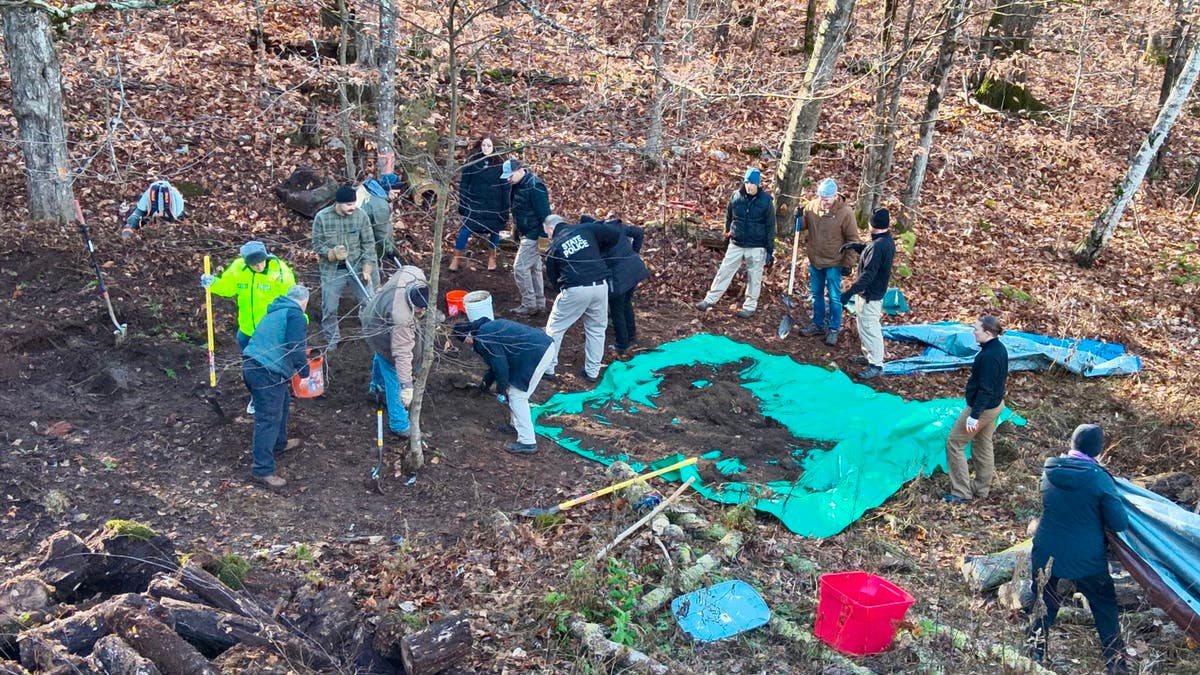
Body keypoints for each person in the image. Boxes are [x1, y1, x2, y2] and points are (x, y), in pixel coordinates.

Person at [1026, 424, 1130, 674]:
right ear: (1098, 450)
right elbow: (1119, 523)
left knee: (1043, 605)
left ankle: (1031, 660)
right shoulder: (1098, 478)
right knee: (1104, 608)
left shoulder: (1049, 469)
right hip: (1087, 558)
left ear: (1072, 444)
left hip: (1046, 551)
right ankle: (1116, 665)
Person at [242, 285, 312, 488]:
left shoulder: (275, 311)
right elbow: (295, 347)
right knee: (267, 418)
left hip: (252, 365)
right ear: (304, 302)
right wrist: (305, 373)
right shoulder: (295, 315)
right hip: (266, 371)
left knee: (282, 404)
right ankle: (262, 469)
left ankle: (279, 443)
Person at [453, 317, 556, 455]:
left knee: (517, 396)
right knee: (514, 393)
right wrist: (485, 385)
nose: (469, 346)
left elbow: (500, 367)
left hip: (536, 354)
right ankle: (515, 425)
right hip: (541, 346)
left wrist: (501, 390)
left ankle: (528, 442)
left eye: (466, 342)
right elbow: (494, 366)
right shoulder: (486, 329)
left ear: (468, 336)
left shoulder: (483, 338)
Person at [543, 214, 627, 382]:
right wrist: (599, 251)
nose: (548, 236)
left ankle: (548, 368)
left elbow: (553, 277)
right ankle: (592, 372)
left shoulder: (554, 247)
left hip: (575, 288)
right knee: (596, 329)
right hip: (600, 285)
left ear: (551, 229)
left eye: (547, 233)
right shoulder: (585, 229)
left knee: (555, 328)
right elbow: (613, 234)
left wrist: (562, 290)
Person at [943, 314, 1009, 503]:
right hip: (997, 405)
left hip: (984, 408)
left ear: (987, 332)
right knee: (983, 442)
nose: (973, 332)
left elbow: (986, 389)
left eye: (976, 329)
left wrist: (974, 415)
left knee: (954, 443)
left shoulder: (989, 356)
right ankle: (981, 488)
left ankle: (961, 492)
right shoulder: (997, 348)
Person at [695, 168, 777, 319]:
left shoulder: (766, 201)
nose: (749, 186)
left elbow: (771, 226)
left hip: (757, 246)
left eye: (752, 183)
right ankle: (710, 300)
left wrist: (769, 250)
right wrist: (727, 238)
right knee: (724, 272)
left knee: (754, 277)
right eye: (747, 182)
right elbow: (729, 219)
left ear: (758, 184)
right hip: (737, 243)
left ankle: (750, 306)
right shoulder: (736, 197)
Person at [362, 265, 429, 438]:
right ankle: (399, 424)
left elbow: (405, 268)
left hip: (375, 309)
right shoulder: (402, 318)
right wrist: (406, 385)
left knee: (382, 357)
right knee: (393, 370)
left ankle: (376, 387)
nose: (422, 312)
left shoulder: (415, 274)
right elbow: (402, 353)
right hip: (376, 327)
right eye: (419, 310)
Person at [311, 185, 378, 350]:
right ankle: (333, 342)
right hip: (332, 270)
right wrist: (332, 253)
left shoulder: (361, 216)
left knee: (369, 303)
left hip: (356, 267)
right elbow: (317, 244)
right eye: (348, 204)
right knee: (330, 308)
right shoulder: (322, 218)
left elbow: (369, 244)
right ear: (338, 203)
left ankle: (371, 337)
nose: (352, 207)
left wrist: (367, 268)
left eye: (354, 203)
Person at [201, 240, 297, 351]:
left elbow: (292, 300)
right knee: (249, 363)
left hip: (271, 331)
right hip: (246, 329)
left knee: (268, 365)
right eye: (254, 265)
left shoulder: (281, 272)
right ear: (246, 263)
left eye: (261, 261)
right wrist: (213, 283)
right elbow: (227, 288)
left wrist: (295, 324)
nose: (259, 266)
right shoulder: (238, 268)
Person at [797, 178, 859, 346]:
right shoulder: (812, 207)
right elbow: (803, 226)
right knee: (816, 295)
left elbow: (853, 240)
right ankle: (817, 324)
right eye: (821, 198)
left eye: (827, 199)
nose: (823, 202)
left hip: (834, 262)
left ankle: (833, 329)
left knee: (834, 298)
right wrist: (798, 217)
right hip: (815, 260)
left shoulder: (846, 213)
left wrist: (848, 264)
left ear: (834, 196)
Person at [840, 208, 895, 380]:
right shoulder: (885, 241)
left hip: (870, 295)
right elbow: (872, 252)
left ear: (872, 225)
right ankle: (868, 355)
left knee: (871, 328)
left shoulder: (879, 246)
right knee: (863, 326)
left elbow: (869, 273)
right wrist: (858, 247)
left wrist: (849, 292)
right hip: (869, 294)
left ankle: (876, 364)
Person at [503, 159, 552, 316]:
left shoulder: (535, 187)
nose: (508, 180)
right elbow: (519, 210)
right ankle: (539, 302)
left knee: (520, 268)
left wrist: (544, 240)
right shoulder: (518, 185)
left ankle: (529, 304)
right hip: (526, 232)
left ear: (519, 170)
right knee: (534, 268)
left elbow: (545, 215)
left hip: (535, 234)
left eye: (510, 176)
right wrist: (516, 232)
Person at [452, 137, 509, 272]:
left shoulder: (501, 165)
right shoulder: (473, 162)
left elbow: (506, 189)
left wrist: (505, 209)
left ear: (494, 147)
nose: (485, 148)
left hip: (494, 204)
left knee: (494, 231)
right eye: (483, 145)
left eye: (489, 145)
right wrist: (463, 203)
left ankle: (492, 257)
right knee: (465, 230)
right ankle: (456, 258)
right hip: (475, 203)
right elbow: (464, 184)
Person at [599, 215, 648, 357]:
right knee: (626, 302)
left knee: (617, 308)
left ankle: (622, 344)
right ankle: (631, 335)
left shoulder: (598, 238)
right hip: (634, 269)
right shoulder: (615, 227)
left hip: (619, 275)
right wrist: (633, 253)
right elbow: (638, 232)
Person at [359, 173, 403, 264]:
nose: (397, 197)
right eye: (395, 193)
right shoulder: (381, 206)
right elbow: (381, 233)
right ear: (388, 190)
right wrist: (391, 251)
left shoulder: (368, 186)